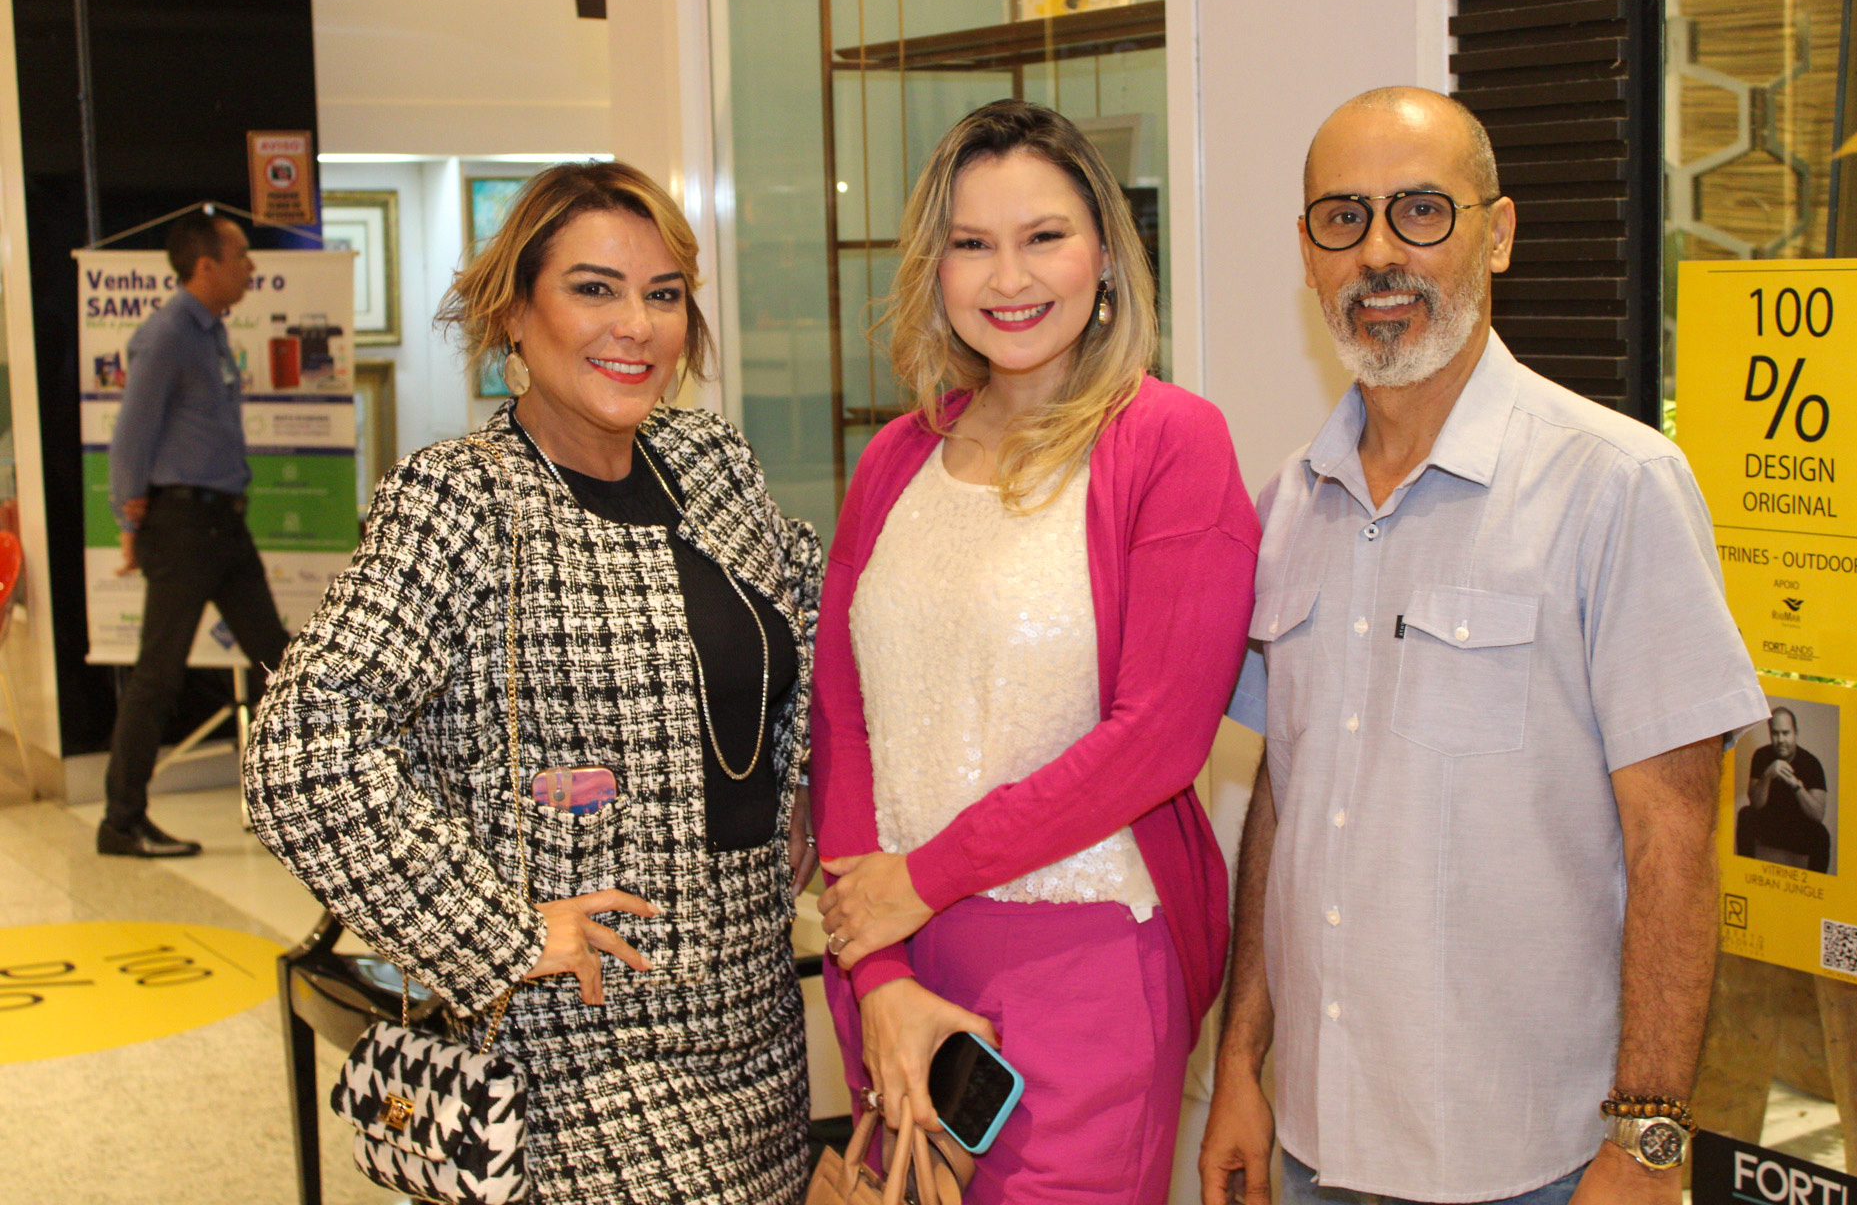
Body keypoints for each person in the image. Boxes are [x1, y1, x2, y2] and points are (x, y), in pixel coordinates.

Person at [1198, 88, 1767, 1205]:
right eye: (1343, 218)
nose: (1378, 254)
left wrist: (1647, 1143)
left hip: (1534, 1162)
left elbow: (1673, 838)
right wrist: (1240, 1064)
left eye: (1420, 211)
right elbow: (1283, 799)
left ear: (1496, 233)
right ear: (1307, 253)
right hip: (1315, 1143)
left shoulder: (1616, 486)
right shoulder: (1290, 504)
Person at [245, 161, 822, 1204]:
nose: (635, 326)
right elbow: (299, 757)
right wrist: (498, 933)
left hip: (757, 1017)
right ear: (514, 311)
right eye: (594, 288)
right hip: (576, 1037)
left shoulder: (710, 464)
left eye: (662, 294)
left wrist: (809, 788)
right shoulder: (463, 498)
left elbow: (809, 617)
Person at [811, 99, 1259, 1204]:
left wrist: (922, 880)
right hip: (899, 962)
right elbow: (842, 718)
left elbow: (1157, 739)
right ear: (936, 269)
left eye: (1043, 236)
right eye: (972, 243)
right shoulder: (895, 461)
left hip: (1084, 967)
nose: (1007, 277)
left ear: (1104, 253)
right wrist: (878, 967)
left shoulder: (1170, 442)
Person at [101, 210, 290, 858]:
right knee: (158, 677)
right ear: (205, 265)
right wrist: (128, 522)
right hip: (182, 527)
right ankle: (121, 821)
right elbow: (130, 438)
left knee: (280, 666)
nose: (251, 267)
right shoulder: (167, 335)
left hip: (223, 524)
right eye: (240, 256)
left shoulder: (210, 331)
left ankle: (297, 804)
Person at [1736, 707, 1831, 873]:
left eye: (1786, 733)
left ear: (1795, 733)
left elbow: (1818, 815)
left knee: (1821, 834)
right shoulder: (1761, 756)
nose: (1780, 740)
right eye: (1775, 733)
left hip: (1797, 832)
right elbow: (1756, 804)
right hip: (1769, 827)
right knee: (1745, 814)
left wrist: (1796, 786)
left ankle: (1817, 885)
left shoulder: (1811, 763)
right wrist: (1767, 775)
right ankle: (1743, 872)